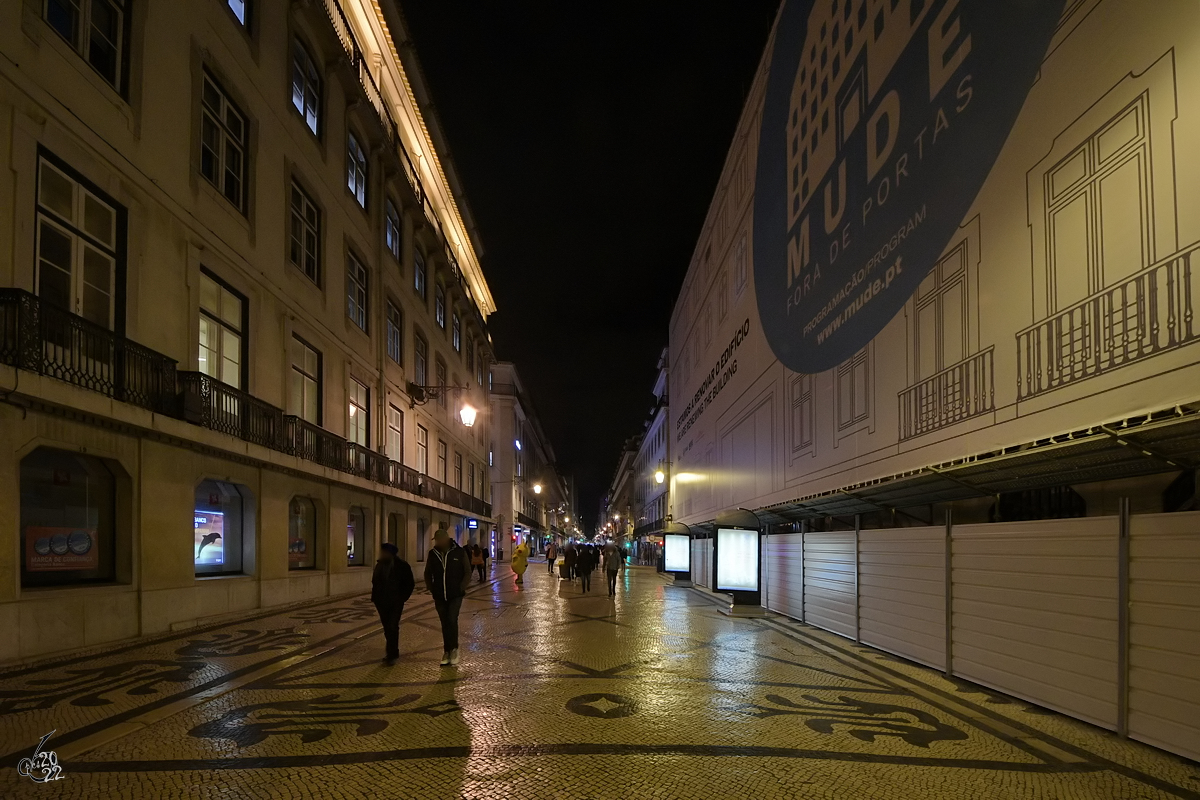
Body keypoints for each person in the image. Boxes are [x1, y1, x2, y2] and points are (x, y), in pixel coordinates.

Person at [424, 528, 472, 666]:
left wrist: (461, 587)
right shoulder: (432, 554)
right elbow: (428, 573)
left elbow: (467, 572)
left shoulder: (459, 552)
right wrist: (431, 588)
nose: (438, 542)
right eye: (436, 540)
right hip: (439, 595)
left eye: (439, 540)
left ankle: (454, 649)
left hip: (455, 594)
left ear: (446, 539)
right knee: (445, 623)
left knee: (452, 619)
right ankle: (446, 651)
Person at [371, 543, 415, 665]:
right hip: (381, 602)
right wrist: (376, 598)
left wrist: (402, 598)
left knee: (392, 626)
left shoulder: (402, 566)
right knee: (387, 628)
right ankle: (392, 651)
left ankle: (392, 653)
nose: (382, 554)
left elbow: (410, 584)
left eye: (385, 552)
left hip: (396, 602)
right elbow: (375, 582)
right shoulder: (379, 565)